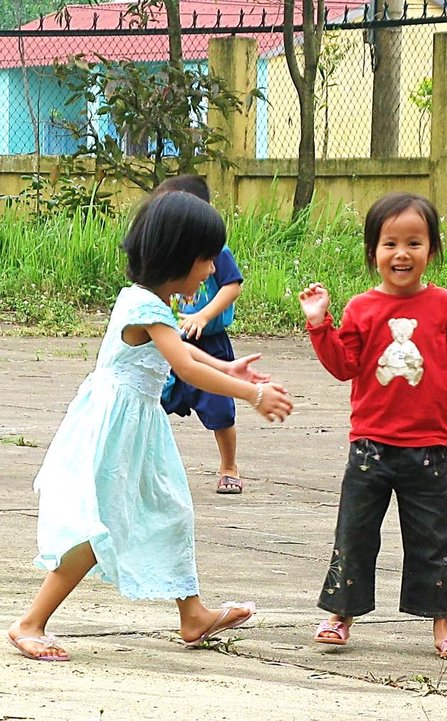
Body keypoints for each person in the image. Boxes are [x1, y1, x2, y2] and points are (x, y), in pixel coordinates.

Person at [6, 191, 293, 662]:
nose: (209, 272)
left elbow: (181, 348)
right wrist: (251, 394)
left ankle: (193, 613)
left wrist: (231, 368)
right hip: (117, 431)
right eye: (206, 261)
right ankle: (30, 622)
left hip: (136, 427)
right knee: (102, 529)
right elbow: (185, 366)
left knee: (172, 510)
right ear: (180, 257)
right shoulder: (145, 305)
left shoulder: (147, 302)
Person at [299, 192, 447, 660]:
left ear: (431, 250)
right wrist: (319, 325)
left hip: (427, 448)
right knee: (354, 534)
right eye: (390, 243)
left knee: (433, 539)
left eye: (414, 242)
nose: (401, 253)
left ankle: (443, 624)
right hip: (370, 446)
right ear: (374, 251)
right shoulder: (361, 309)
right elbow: (343, 365)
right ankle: (340, 615)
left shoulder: (444, 305)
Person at [155, 176, 248, 494]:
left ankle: (228, 465)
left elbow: (232, 285)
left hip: (209, 341)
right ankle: (149, 466)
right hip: (172, 340)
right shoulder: (165, 252)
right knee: (153, 405)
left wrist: (204, 315)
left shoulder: (216, 251)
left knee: (219, 408)